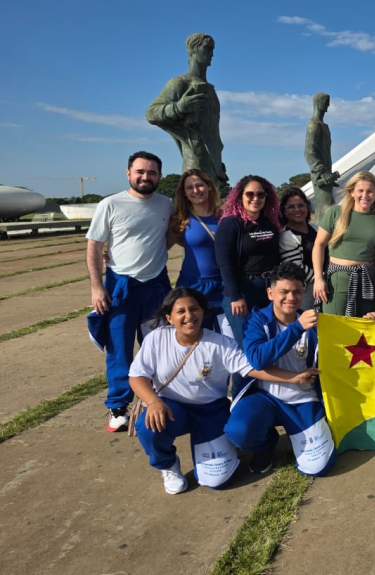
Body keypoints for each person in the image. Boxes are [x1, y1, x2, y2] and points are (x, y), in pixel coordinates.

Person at [129, 287, 309, 494]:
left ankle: (244, 444)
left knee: (218, 481)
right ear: (169, 318)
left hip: (211, 411)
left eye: (194, 309)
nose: (189, 316)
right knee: (149, 425)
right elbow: (137, 376)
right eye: (181, 311)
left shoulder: (222, 343)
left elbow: (253, 369)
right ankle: (167, 465)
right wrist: (153, 402)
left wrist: (293, 377)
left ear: (203, 311)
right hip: (171, 407)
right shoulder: (156, 339)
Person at [86, 151, 173, 433]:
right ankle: (118, 406)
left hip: (156, 285)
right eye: (140, 172)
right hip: (120, 287)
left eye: (151, 173)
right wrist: (97, 287)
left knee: (157, 345)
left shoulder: (166, 204)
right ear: (128, 173)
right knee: (119, 348)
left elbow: (167, 237)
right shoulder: (110, 204)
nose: (145, 177)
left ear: (159, 176)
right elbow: (94, 246)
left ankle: (158, 396)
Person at [224, 262, 337, 476]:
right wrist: (296, 329)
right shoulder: (256, 320)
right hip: (264, 397)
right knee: (239, 431)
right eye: (283, 292)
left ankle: (300, 437)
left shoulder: (314, 323)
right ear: (270, 293)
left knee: (318, 468)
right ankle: (266, 444)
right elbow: (258, 359)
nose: (291, 297)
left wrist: (372, 320)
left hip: (303, 399)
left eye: (297, 292)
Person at [145, 33, 227, 189]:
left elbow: (212, 133)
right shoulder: (179, 83)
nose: (212, 54)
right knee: (195, 197)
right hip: (194, 160)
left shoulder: (211, 91)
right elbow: (151, 113)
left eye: (212, 49)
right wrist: (179, 107)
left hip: (213, 165)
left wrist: (217, 162)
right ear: (192, 50)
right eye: (207, 48)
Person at [215, 175, 281, 346]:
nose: (255, 198)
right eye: (250, 194)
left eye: (260, 194)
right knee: (249, 347)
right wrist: (235, 296)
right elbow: (224, 262)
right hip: (243, 290)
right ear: (240, 196)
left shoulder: (270, 222)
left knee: (270, 343)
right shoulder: (231, 223)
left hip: (269, 289)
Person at [312, 171, 375, 317]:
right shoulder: (335, 213)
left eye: (369, 191)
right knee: (335, 323)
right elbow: (319, 245)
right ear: (352, 192)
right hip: (337, 279)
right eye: (360, 190)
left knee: (367, 325)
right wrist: (318, 278)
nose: (365, 195)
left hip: (368, 280)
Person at [167, 168, 222, 329]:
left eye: (199, 185)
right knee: (196, 338)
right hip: (193, 287)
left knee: (229, 339)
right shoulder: (180, 219)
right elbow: (160, 248)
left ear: (209, 186)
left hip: (224, 285)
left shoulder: (224, 215)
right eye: (189, 187)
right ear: (184, 193)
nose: (196, 190)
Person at [278, 187, 317, 310]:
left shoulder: (315, 228)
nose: (297, 209)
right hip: (306, 289)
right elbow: (296, 267)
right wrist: (321, 278)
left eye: (301, 205)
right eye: (291, 207)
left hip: (324, 284)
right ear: (284, 211)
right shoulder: (287, 236)